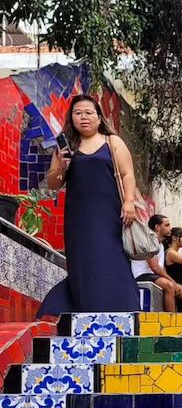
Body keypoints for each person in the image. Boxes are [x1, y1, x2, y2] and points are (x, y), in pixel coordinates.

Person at [37, 94, 141, 315]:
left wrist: (129, 202)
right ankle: (84, 310)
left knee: (111, 258)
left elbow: (127, 174)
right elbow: (54, 184)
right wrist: (62, 166)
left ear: (99, 117)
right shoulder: (66, 145)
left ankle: (123, 310)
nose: (83, 117)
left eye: (88, 112)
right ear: (71, 118)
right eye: (77, 113)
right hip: (78, 218)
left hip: (110, 215)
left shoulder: (112, 142)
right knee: (84, 262)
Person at [129, 215, 182, 313]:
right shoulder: (148, 241)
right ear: (157, 227)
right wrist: (173, 282)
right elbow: (155, 267)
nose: (170, 228)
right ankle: (171, 321)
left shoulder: (160, 245)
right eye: (167, 225)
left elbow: (161, 268)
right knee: (170, 285)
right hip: (142, 275)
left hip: (154, 276)